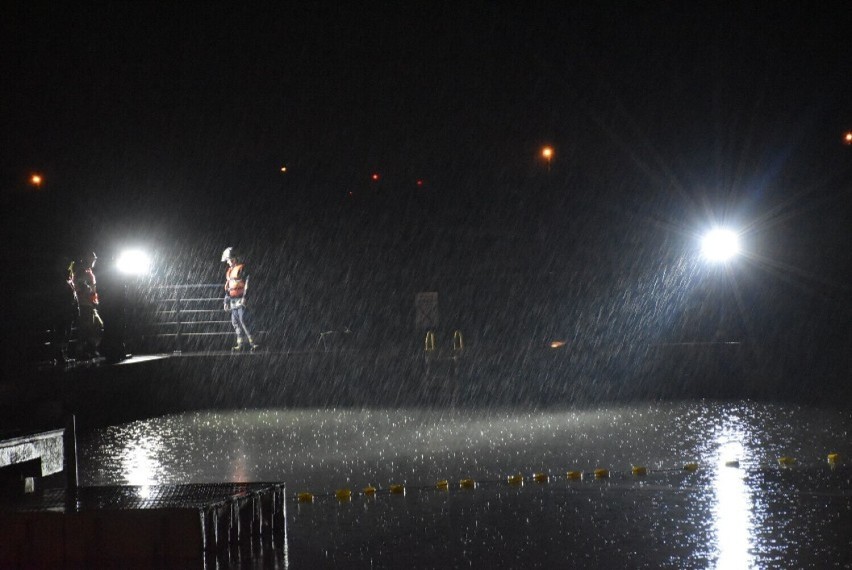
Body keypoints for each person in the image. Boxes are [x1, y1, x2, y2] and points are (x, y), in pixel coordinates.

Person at [222, 247, 258, 351]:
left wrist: (245, 297)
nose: (228, 262)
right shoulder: (229, 272)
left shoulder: (242, 268)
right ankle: (240, 344)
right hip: (233, 300)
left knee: (244, 320)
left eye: (229, 260)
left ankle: (253, 343)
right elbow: (228, 288)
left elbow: (247, 283)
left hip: (241, 298)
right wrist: (226, 301)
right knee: (236, 322)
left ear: (234, 258)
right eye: (228, 260)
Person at [74, 251, 104, 358]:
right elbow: (80, 286)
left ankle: (90, 348)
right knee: (86, 327)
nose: (94, 261)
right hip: (84, 303)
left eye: (94, 259)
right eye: (92, 258)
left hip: (90, 304)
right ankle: (83, 350)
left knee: (94, 326)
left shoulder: (89, 271)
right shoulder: (82, 271)